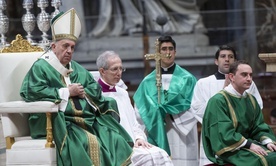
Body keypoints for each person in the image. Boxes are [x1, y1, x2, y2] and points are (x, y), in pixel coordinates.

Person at [20, 8, 133, 166]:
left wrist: (83, 92)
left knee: (115, 138)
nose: (69, 51)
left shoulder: (77, 68)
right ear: (53, 46)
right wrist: (67, 92)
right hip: (58, 122)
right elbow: (31, 91)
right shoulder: (41, 67)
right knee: (87, 141)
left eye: (72, 47)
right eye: (65, 46)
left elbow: (94, 89)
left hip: (83, 120)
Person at [95, 50, 174, 166]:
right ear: (102, 71)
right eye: (114, 69)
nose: (119, 73)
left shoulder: (123, 93)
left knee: (161, 154)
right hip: (113, 146)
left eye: (121, 69)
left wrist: (139, 138)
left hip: (133, 143)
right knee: (147, 159)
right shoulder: (96, 95)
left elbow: (133, 123)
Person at [190, 45, 263, 165]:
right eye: (223, 56)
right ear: (216, 61)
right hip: (215, 135)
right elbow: (197, 108)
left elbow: (256, 107)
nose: (227, 59)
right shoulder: (203, 83)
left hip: (242, 137)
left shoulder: (248, 82)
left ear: (235, 61)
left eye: (231, 57)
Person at [133, 35, 198, 166]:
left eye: (170, 49)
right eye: (163, 49)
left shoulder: (188, 79)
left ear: (175, 52)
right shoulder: (147, 82)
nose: (167, 52)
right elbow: (139, 111)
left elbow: (196, 106)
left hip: (182, 133)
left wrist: (172, 114)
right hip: (156, 131)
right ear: (158, 52)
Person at [202, 60, 276, 165]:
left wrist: (267, 142)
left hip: (248, 144)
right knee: (261, 160)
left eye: (251, 75)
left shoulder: (251, 100)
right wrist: (250, 145)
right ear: (232, 77)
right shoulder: (218, 101)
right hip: (230, 148)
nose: (249, 79)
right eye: (244, 75)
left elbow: (258, 126)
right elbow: (223, 133)